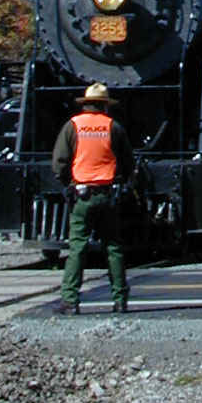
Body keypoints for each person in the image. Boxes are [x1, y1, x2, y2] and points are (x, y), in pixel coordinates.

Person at [51, 82, 134, 315]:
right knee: (113, 246)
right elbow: (128, 162)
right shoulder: (113, 127)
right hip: (107, 193)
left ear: (86, 104)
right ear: (105, 106)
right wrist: (123, 181)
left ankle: (70, 300)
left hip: (82, 194)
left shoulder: (73, 126)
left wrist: (67, 183)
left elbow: (59, 161)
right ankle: (120, 299)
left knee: (77, 247)